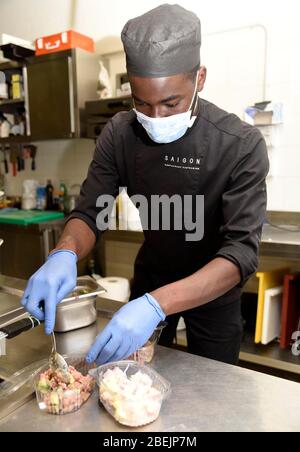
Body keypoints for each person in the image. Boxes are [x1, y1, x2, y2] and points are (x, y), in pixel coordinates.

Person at [21, 4, 269, 366]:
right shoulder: (120, 133)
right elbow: (91, 214)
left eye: (171, 103)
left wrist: (157, 305)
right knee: (134, 381)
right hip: (152, 277)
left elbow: (241, 254)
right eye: (142, 103)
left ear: (199, 78)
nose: (156, 118)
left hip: (214, 293)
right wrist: (65, 253)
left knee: (211, 386)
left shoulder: (240, 143)